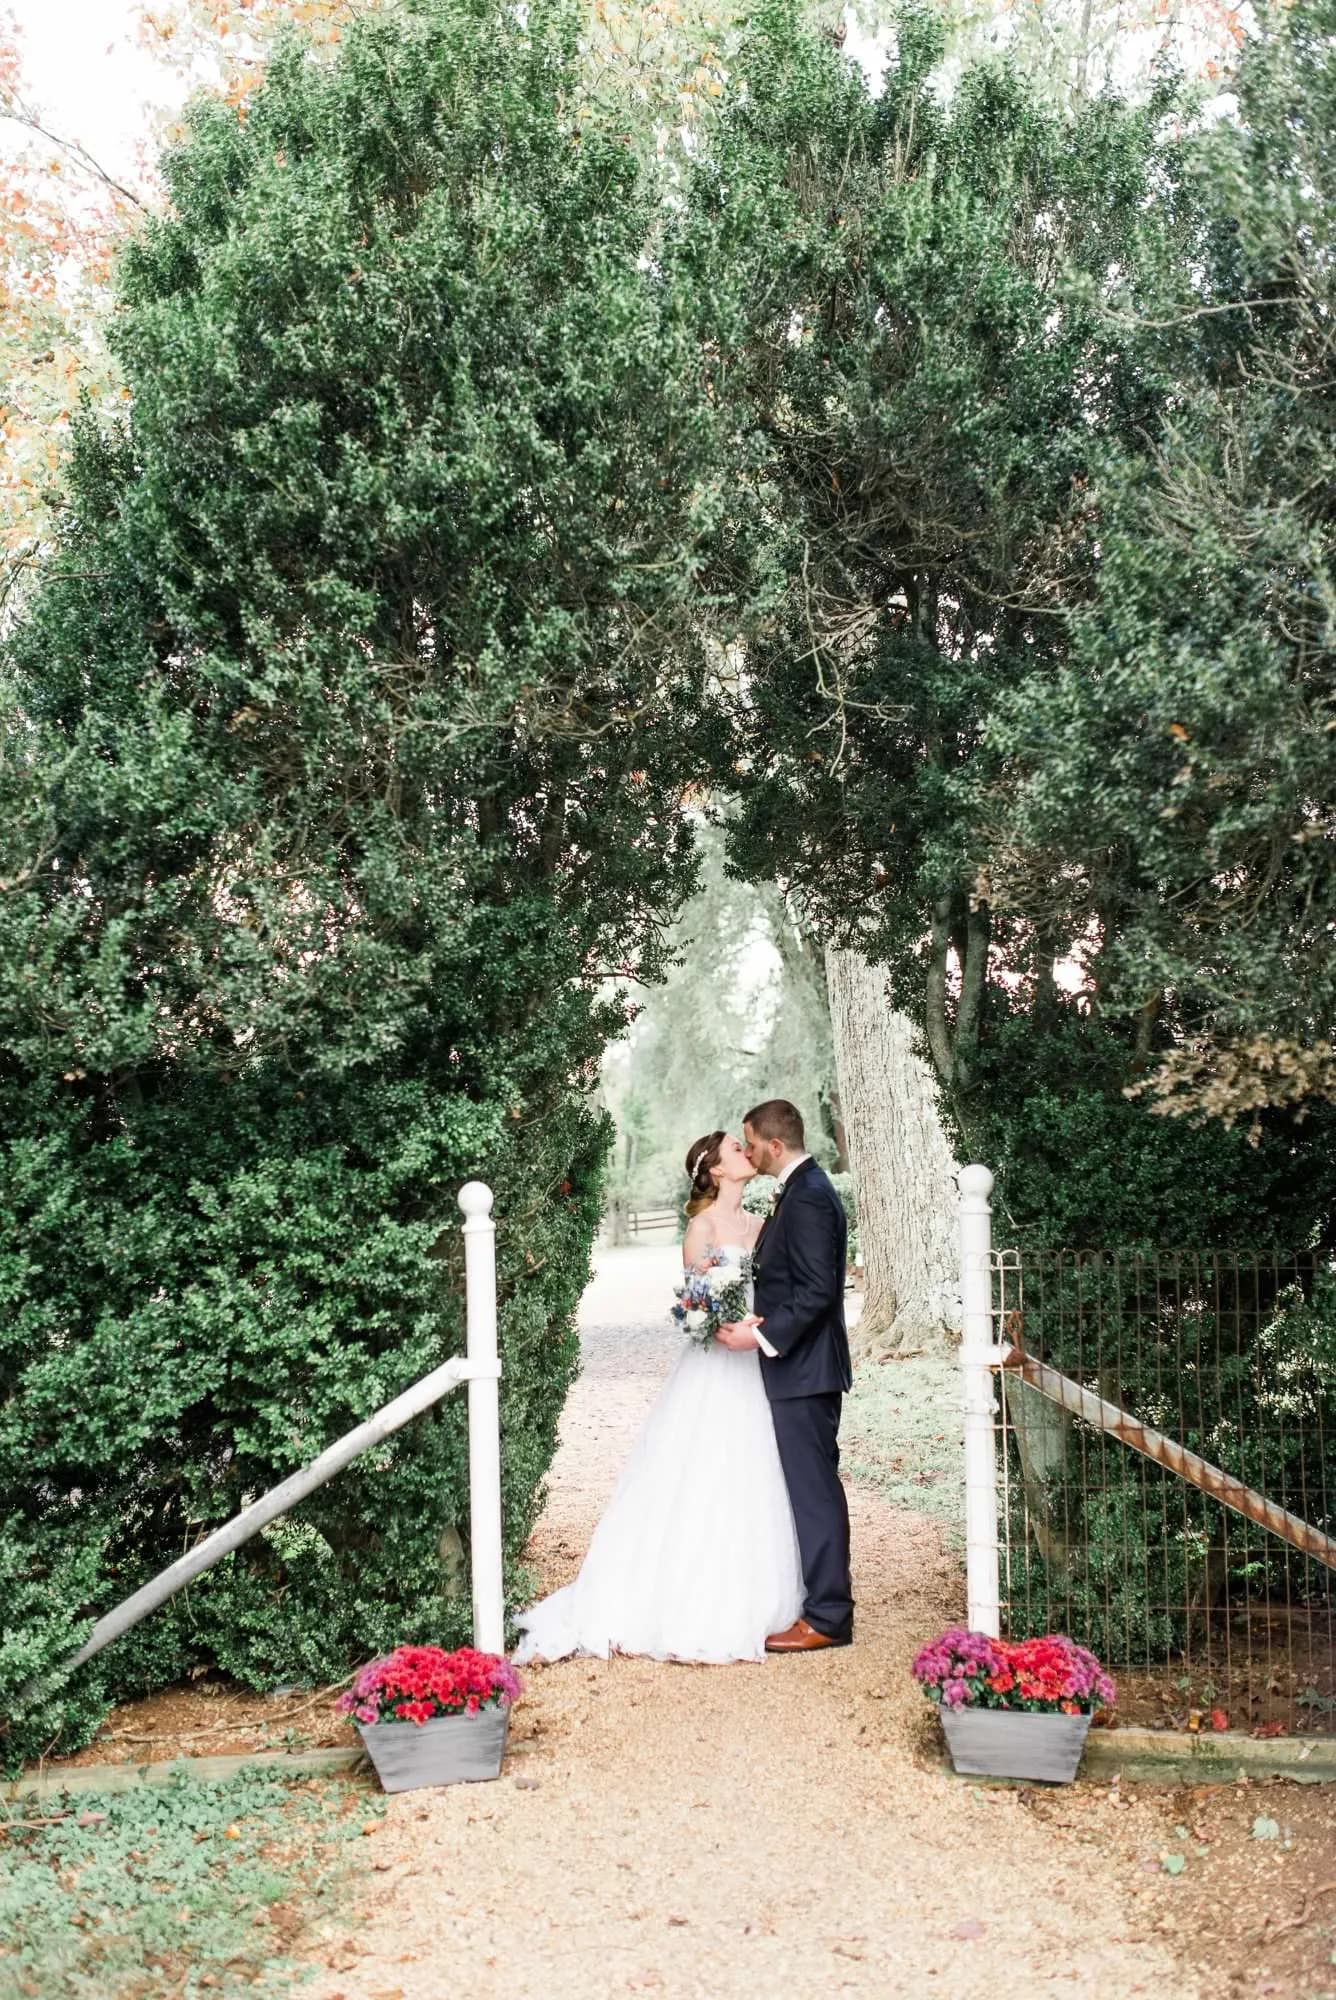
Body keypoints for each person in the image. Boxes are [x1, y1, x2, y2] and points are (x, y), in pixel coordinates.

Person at [512, 1130, 803, 1665]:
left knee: (753, 1468)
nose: (746, 1150)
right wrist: (723, 1323)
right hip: (716, 1366)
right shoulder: (703, 1227)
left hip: (756, 1363)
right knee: (699, 1464)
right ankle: (676, 1601)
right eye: (736, 1149)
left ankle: (754, 1594)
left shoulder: (762, 1225)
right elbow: (696, 1307)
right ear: (715, 1170)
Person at [715, 1098, 854, 1651]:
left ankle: (827, 1618)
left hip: (806, 1369)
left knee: (815, 1492)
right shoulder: (798, 1191)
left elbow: (818, 1290)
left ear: (774, 1145)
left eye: (750, 1142)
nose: (746, 1152)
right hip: (799, 1367)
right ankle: (821, 1603)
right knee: (808, 1489)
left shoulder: (812, 1197)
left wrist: (761, 1335)